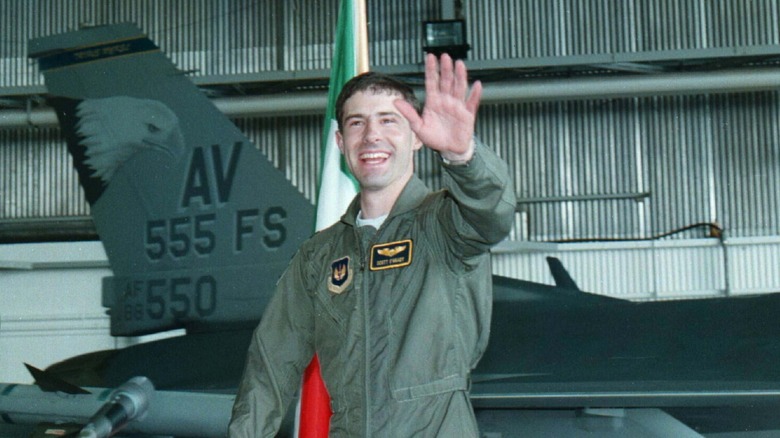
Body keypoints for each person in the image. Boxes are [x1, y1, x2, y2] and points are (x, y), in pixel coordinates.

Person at [228, 53, 516, 437]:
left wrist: (462, 157)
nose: (371, 136)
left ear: (417, 137)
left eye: (389, 121)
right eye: (356, 123)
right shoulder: (319, 257)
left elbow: (492, 211)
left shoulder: (445, 224)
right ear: (340, 140)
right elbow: (269, 365)